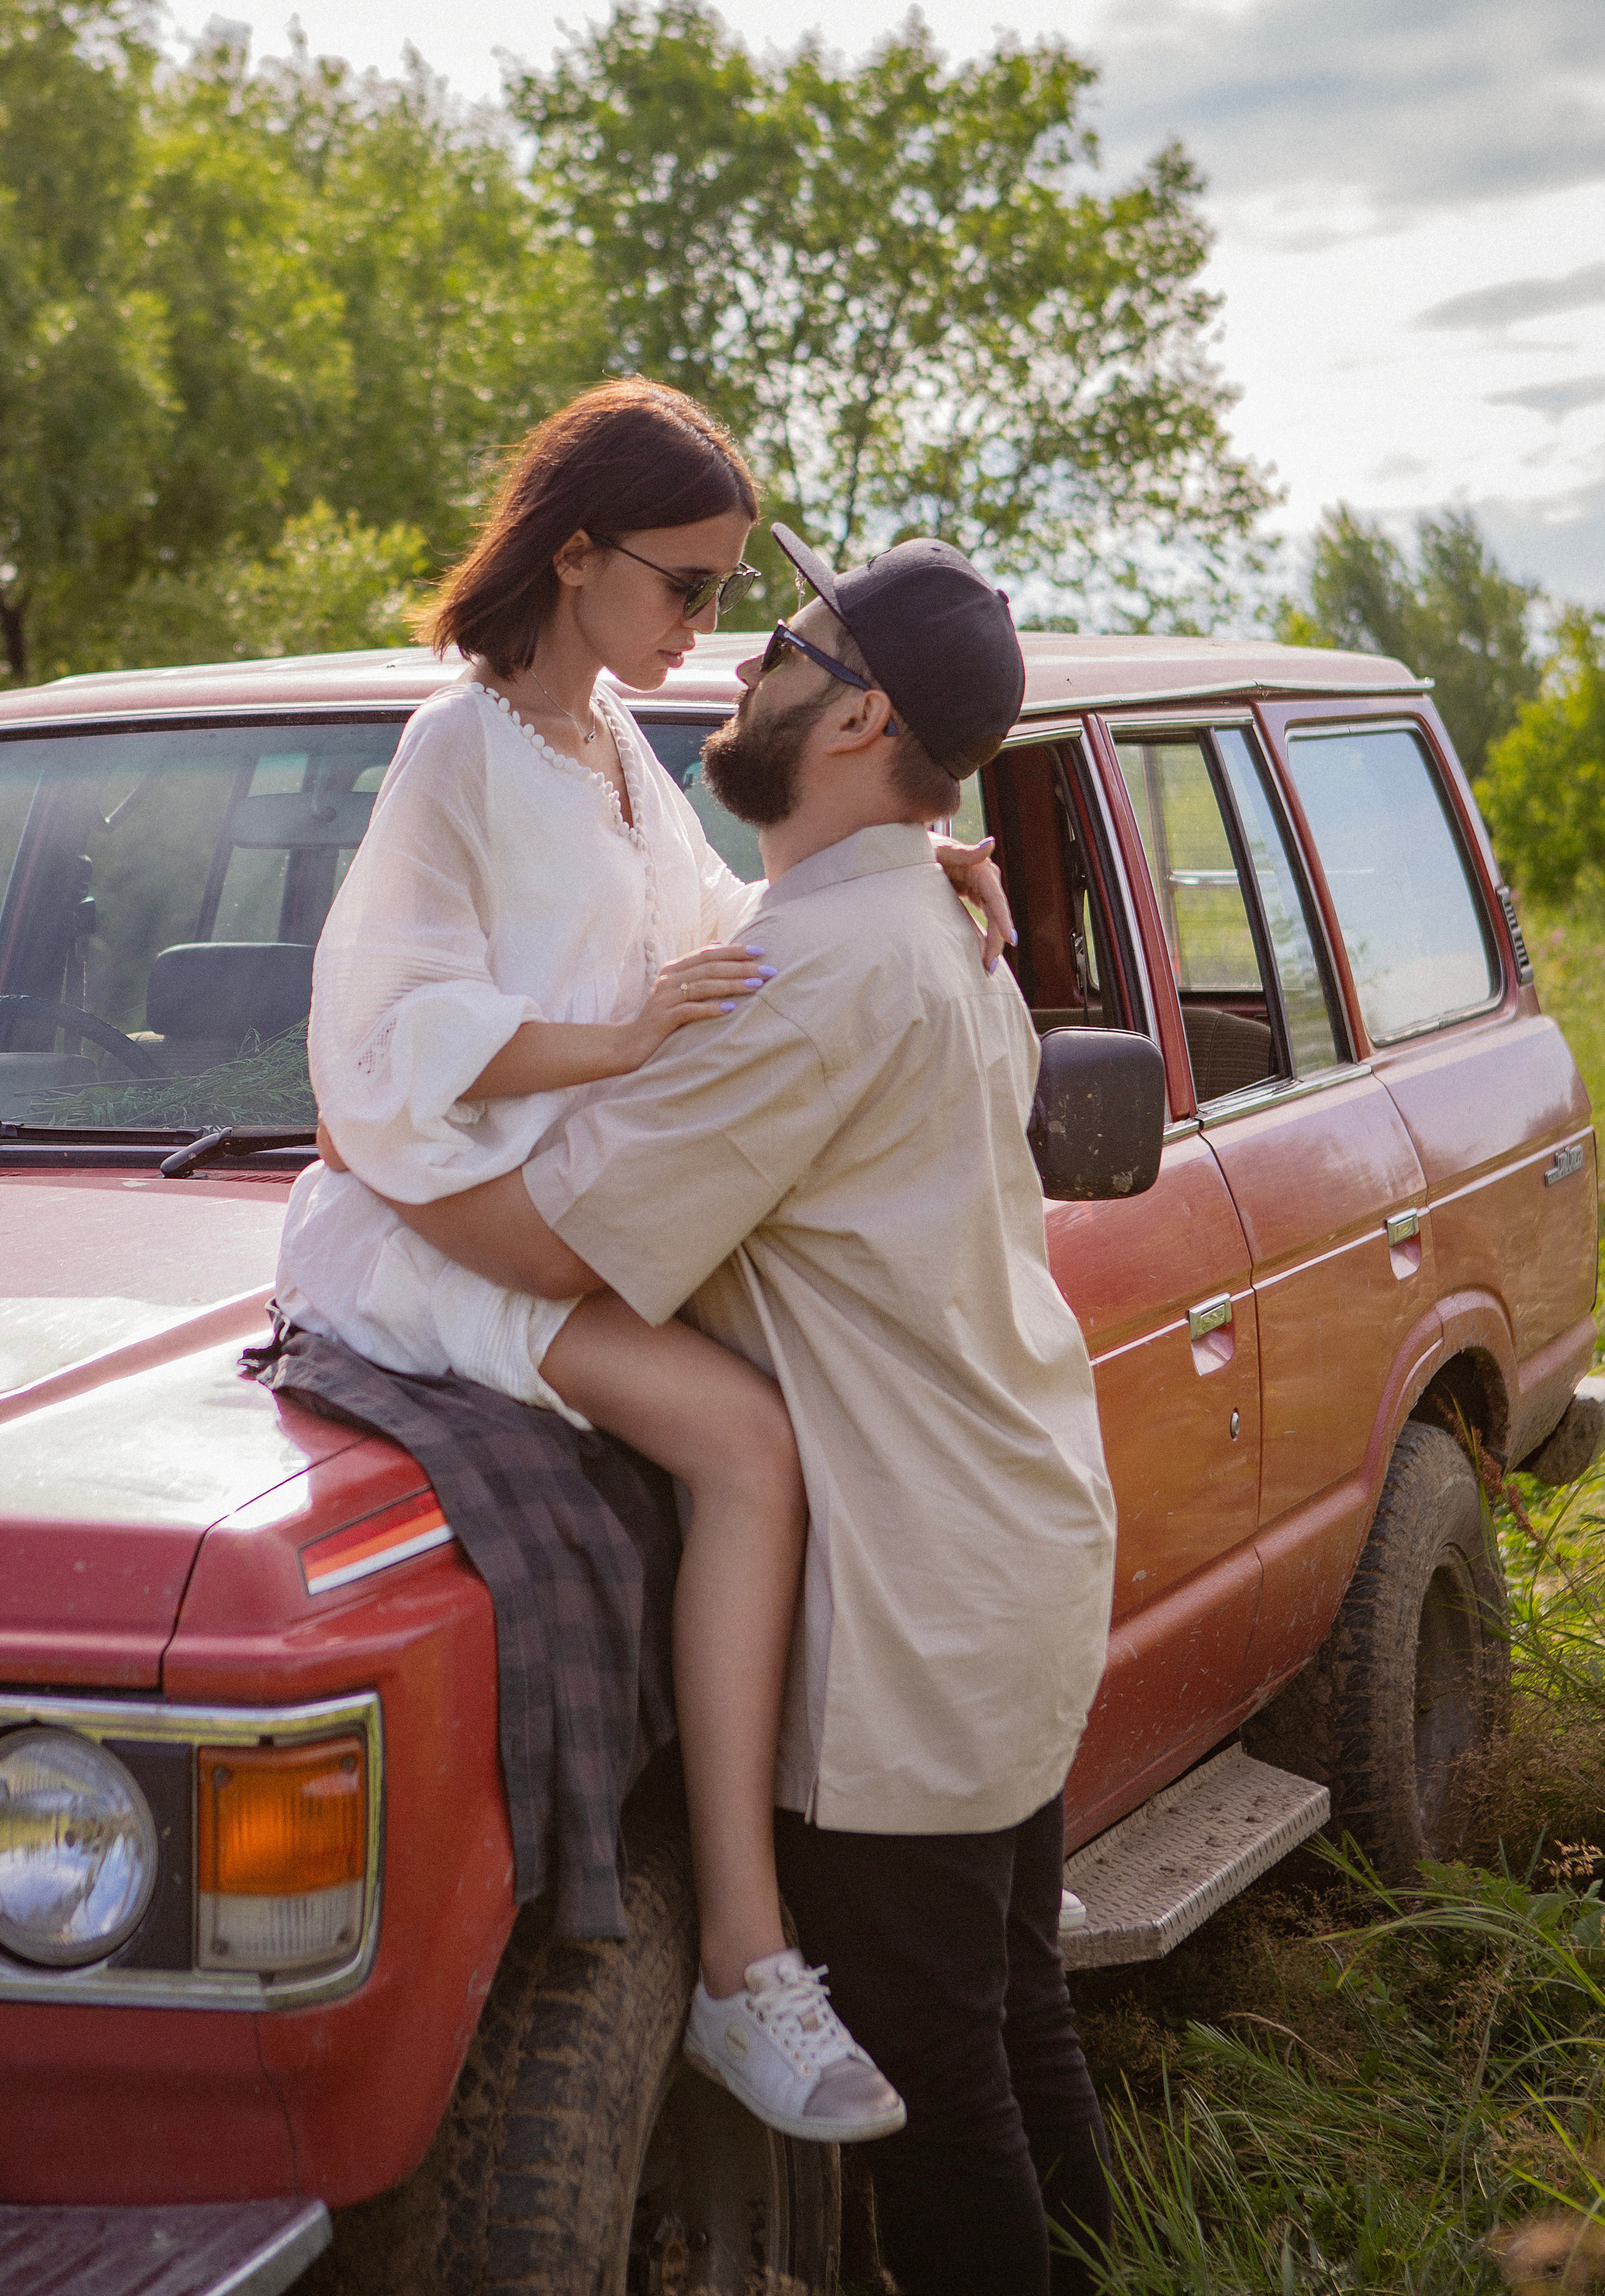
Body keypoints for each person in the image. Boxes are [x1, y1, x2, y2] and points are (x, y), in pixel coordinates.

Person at [361, 527, 1119, 2296]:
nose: (740, 663)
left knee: (943, 2084)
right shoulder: (908, 926)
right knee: (1007, 2009)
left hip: (910, 1595)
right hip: (1007, 1535)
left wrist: (361, 1139)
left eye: (782, 644)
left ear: (857, 722)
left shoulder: (817, 975)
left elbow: (551, 1248)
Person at [282, 379, 1002, 2149]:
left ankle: (915, 1864)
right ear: (577, 556)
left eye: (727, 593)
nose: (708, 627)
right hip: (439, 1224)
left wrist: (919, 855)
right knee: (746, 1441)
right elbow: (380, 1018)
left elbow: (717, 940)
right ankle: (744, 1962)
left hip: (575, 1207)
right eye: (687, 585)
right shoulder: (460, 746)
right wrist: (610, 1045)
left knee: (801, 1408)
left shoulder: (612, 746)